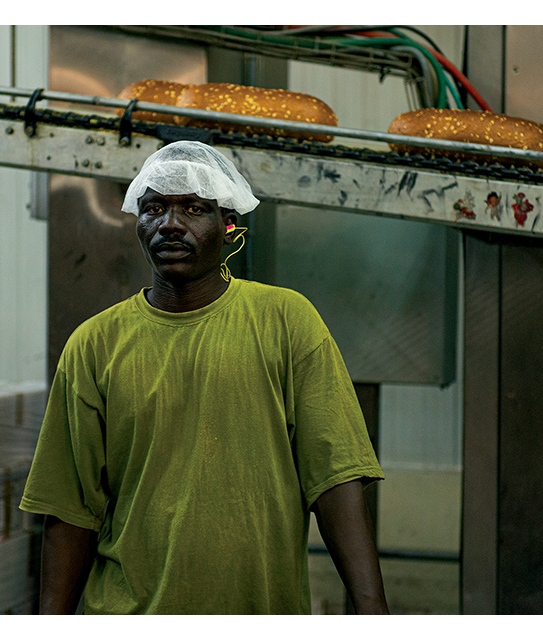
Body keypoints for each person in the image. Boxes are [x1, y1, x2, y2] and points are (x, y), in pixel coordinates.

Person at [20, 140, 389, 615]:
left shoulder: (287, 322)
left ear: (228, 224)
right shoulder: (95, 346)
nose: (170, 225)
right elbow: (69, 510)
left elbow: (335, 478)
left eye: (194, 208)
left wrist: (371, 608)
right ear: (137, 223)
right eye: (153, 208)